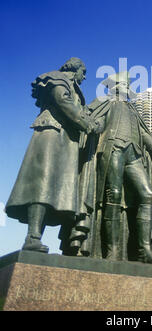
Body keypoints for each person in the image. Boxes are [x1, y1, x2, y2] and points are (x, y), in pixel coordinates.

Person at [5, 57, 100, 253]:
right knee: (42, 186)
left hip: (65, 139)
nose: (85, 77)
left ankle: (35, 237)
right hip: (52, 135)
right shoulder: (56, 78)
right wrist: (87, 124)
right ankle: (32, 236)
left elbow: (76, 108)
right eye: (84, 71)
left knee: (52, 190)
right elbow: (63, 101)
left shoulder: (72, 86)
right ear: (76, 69)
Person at [87, 71, 152, 264]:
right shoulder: (106, 102)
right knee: (113, 195)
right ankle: (113, 250)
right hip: (113, 148)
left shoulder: (133, 110)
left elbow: (144, 133)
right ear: (116, 86)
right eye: (125, 85)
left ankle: (144, 250)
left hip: (134, 154)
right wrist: (94, 125)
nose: (128, 89)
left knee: (147, 194)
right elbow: (96, 120)